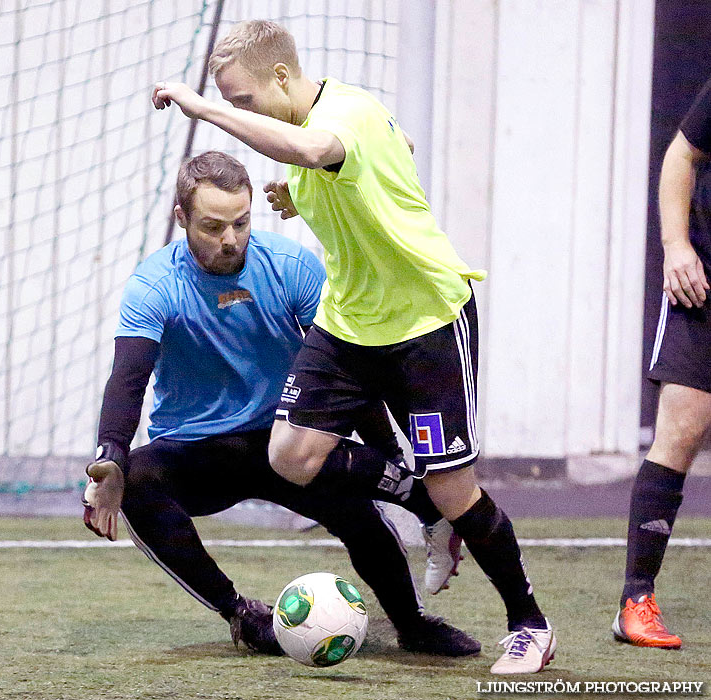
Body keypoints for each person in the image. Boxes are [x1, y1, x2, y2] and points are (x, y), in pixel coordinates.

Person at [151, 19, 554, 675]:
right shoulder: (325, 134)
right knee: (290, 454)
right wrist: (299, 194)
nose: (240, 111)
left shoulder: (337, 119)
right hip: (349, 324)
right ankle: (419, 504)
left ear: (281, 76)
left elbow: (319, 150)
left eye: (244, 99)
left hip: (423, 320)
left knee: (456, 489)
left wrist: (203, 108)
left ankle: (528, 624)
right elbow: (377, 152)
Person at [81, 150, 480, 657]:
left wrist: (388, 455)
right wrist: (112, 455)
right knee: (136, 481)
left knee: (360, 517)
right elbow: (127, 380)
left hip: (285, 442)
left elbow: (347, 371)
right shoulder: (153, 285)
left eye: (241, 223)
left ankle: (413, 620)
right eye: (212, 226)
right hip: (200, 451)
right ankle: (240, 614)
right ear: (181, 218)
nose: (229, 239)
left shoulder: (291, 267)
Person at [613, 76, 711, 649]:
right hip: (705, 286)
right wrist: (677, 246)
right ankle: (635, 601)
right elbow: (683, 153)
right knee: (680, 430)